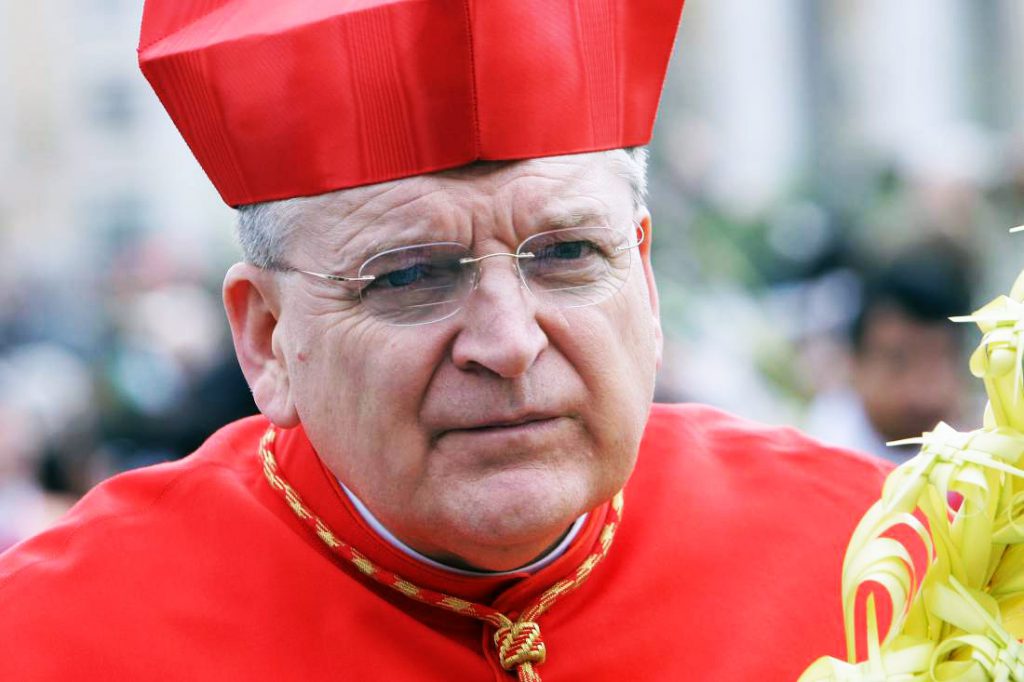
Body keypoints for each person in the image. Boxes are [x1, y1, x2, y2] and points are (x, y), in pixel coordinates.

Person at [0, 2, 890, 679]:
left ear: (646, 281)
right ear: (268, 340)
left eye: (568, 254)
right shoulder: (52, 638)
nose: (507, 343)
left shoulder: (881, 554)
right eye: (408, 275)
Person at [806, 241, 973, 463]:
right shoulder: (822, 451)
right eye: (898, 362)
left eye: (935, 363)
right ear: (855, 363)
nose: (918, 390)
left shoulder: (981, 459)